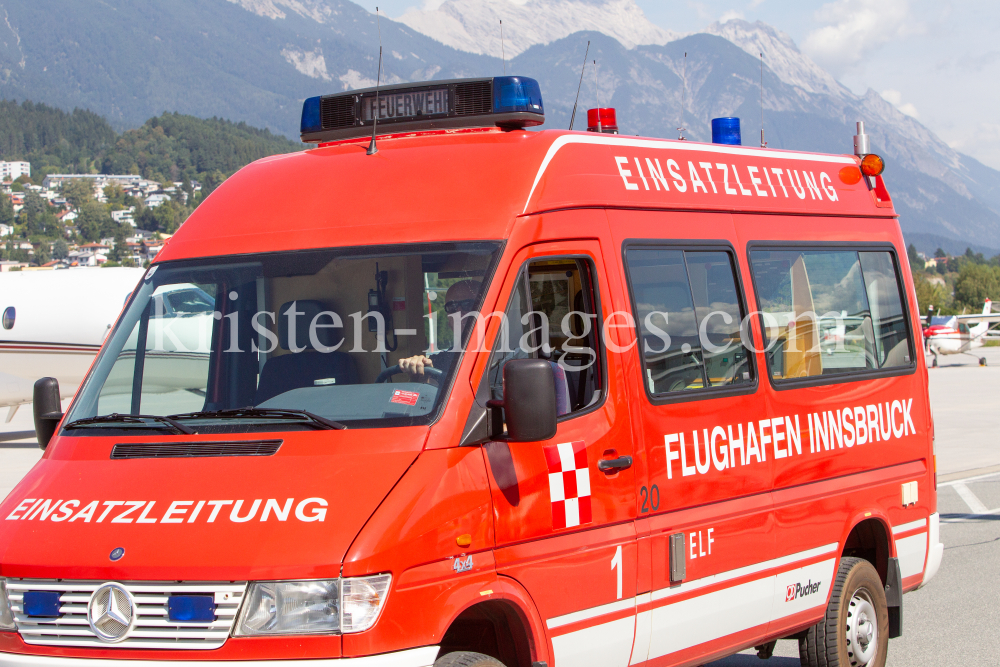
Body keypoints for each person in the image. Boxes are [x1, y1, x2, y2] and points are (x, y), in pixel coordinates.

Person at [399, 279, 481, 378]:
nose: (459, 313)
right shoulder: (439, 362)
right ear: (449, 320)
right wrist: (421, 369)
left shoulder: (502, 360)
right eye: (452, 307)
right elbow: (429, 388)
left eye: (468, 305)